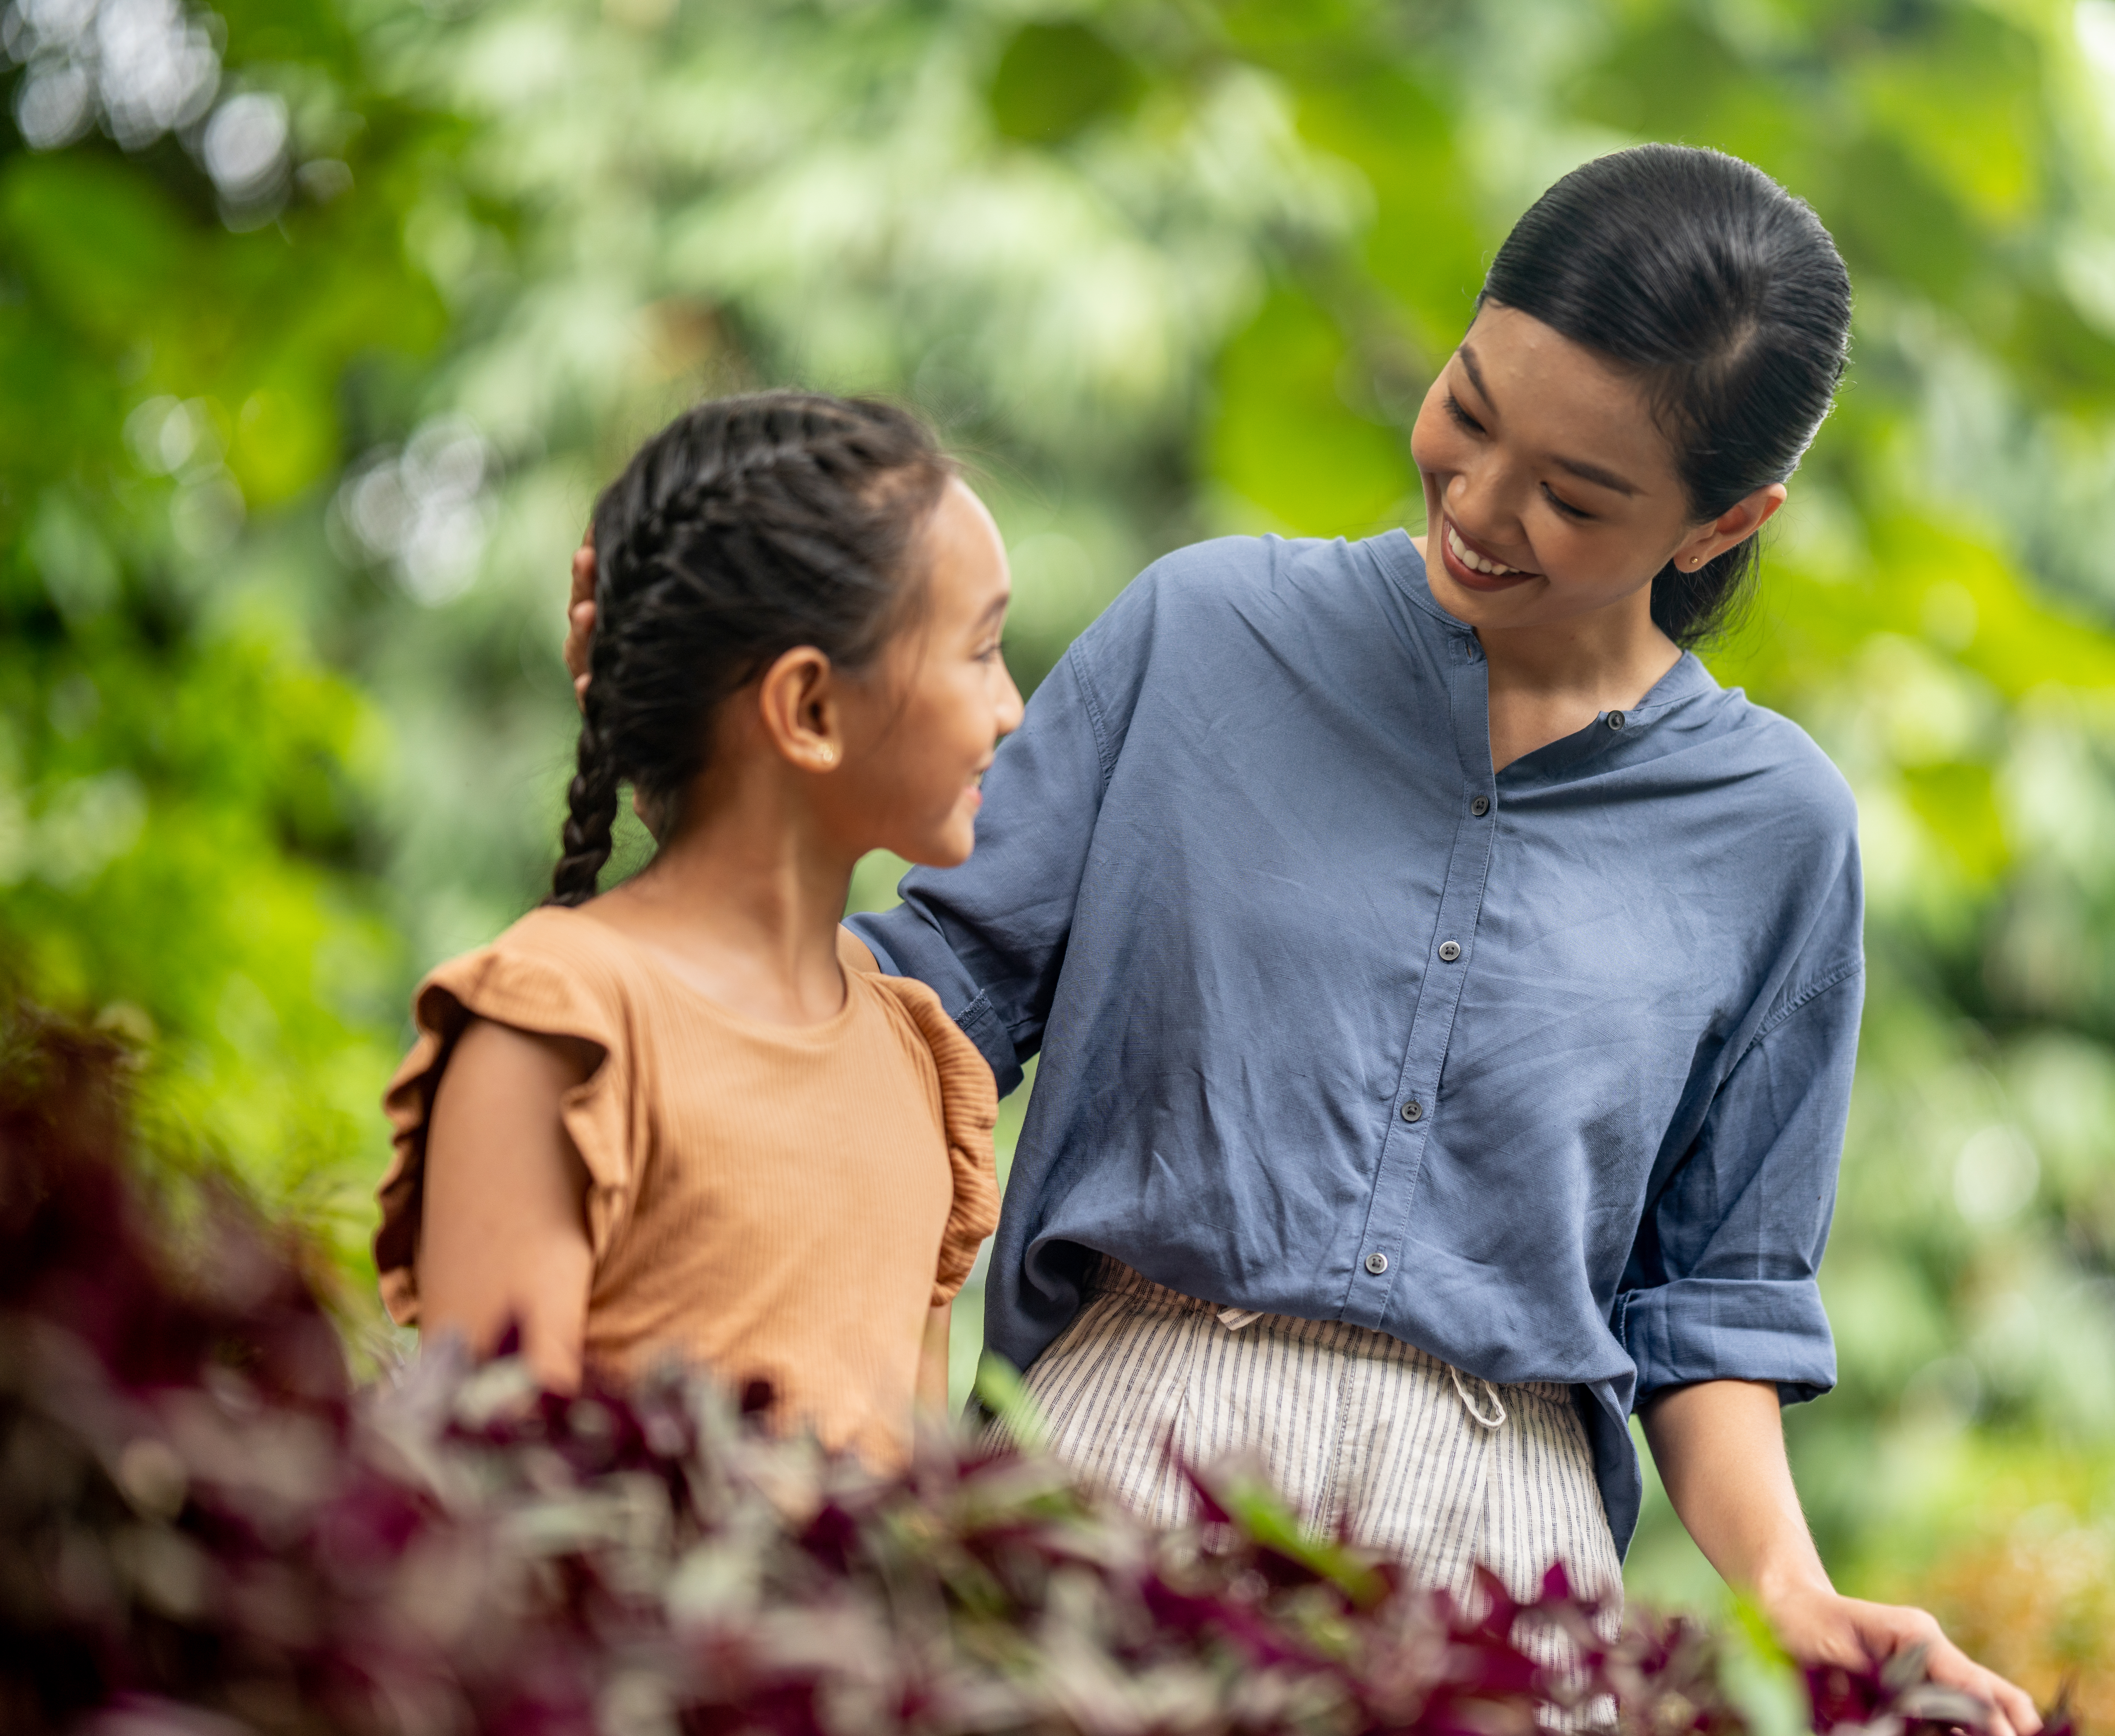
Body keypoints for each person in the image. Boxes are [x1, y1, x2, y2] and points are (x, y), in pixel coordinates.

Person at [567, 145, 2037, 1731]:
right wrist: (700, 768)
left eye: (1576, 495)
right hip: (1128, 1460)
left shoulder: (1779, 834)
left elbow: (1708, 1311)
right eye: (1469, 411)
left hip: (1508, 1573)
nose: (1479, 504)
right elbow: (926, 1006)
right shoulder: (1204, 634)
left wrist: (1792, 1592)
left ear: (1723, 521)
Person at [380, 392, 1018, 1472]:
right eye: (982, 652)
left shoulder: (919, 1061)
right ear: (811, 710)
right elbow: (484, 1498)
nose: (1010, 709)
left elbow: (912, 1506)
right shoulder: (564, 1025)